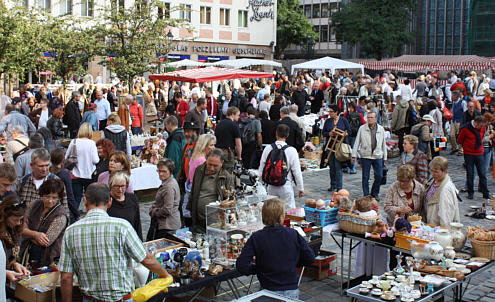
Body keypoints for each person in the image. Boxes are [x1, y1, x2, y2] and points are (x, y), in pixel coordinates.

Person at [58, 183, 170, 302]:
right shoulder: (122, 226)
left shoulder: (71, 231)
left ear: (85, 201)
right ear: (110, 201)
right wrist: (165, 275)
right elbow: (146, 259)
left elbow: (66, 277)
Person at [236, 198, 315, 299]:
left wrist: (258, 268)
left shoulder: (257, 237)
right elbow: (310, 258)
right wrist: (292, 264)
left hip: (268, 289)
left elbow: (241, 266)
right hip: (290, 288)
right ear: (281, 217)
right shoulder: (293, 234)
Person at [20, 179, 68, 268]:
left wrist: (27, 233)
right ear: (42, 195)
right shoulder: (35, 204)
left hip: (48, 257)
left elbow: (46, 241)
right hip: (27, 252)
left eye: (54, 198)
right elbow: (21, 227)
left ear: (59, 198)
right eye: (47, 196)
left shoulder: (60, 215)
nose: (50, 201)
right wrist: (35, 234)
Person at [188, 148, 234, 233]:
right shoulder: (199, 170)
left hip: (214, 221)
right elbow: (193, 190)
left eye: (215, 166)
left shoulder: (227, 177)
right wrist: (190, 207)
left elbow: (231, 200)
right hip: (197, 219)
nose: (211, 168)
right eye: (209, 164)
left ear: (222, 163)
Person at [258, 124, 304, 209]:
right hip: (285, 184)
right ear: (287, 135)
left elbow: (262, 167)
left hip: (271, 185)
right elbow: (297, 171)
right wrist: (300, 188)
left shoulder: (268, 148)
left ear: (276, 133)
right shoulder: (292, 150)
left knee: (272, 211)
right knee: (288, 211)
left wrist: (260, 184)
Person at [352, 111, 387, 199]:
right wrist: (353, 155)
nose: (370, 119)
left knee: (379, 175)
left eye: (372, 117)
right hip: (365, 155)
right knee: (365, 176)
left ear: (376, 119)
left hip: (377, 155)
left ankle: (375, 193)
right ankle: (366, 195)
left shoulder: (380, 129)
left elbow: (383, 143)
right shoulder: (362, 128)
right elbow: (357, 142)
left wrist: (385, 156)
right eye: (368, 117)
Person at [0, 194, 31, 292]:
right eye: (15, 220)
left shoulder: (14, 231)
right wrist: (4, 272)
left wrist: (15, 264)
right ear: (4, 216)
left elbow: (10, 257)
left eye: (21, 220)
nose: (18, 223)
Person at [66, 123, 99, 212]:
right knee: (90, 197)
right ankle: (90, 212)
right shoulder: (92, 143)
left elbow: (67, 157)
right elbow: (96, 160)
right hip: (89, 173)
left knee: (76, 197)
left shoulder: (74, 142)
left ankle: (74, 215)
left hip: (75, 174)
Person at [147, 159, 181, 241]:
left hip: (167, 225)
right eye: (159, 171)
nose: (161, 174)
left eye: (164, 171)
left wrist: (154, 211)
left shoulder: (168, 187)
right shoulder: (169, 182)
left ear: (170, 171)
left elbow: (167, 210)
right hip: (169, 224)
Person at [458, 115, 489, 199]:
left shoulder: (482, 128)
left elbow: (481, 137)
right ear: (475, 123)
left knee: (482, 173)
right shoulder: (465, 128)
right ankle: (470, 193)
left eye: (483, 126)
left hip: (479, 153)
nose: (482, 127)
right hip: (469, 154)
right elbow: (460, 140)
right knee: (470, 173)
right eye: (480, 126)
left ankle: (485, 192)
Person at [423, 156, 460, 227]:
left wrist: (443, 233)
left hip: (438, 229)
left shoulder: (446, 190)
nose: (432, 174)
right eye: (431, 170)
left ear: (445, 171)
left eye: (436, 172)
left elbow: (446, 217)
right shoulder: (433, 181)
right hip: (431, 225)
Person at [323, 105, 351, 192]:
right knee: (331, 166)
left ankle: (339, 187)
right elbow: (324, 132)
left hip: (340, 146)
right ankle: (332, 184)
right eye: (329, 111)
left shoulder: (343, 120)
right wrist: (329, 134)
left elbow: (349, 131)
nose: (329, 113)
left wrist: (343, 134)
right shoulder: (328, 121)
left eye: (331, 111)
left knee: (338, 167)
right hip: (330, 145)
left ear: (336, 112)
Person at [107, 171, 142, 240]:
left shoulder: (132, 199)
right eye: (117, 186)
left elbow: (137, 223)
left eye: (122, 186)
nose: (120, 190)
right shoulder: (107, 201)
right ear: (111, 185)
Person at [49, 149, 78, 221]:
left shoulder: (48, 171)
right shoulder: (65, 174)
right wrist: (76, 214)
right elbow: (70, 195)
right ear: (63, 159)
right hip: (61, 207)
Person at [214, 106, 242, 172]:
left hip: (217, 152)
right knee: (227, 176)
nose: (239, 117)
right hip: (228, 154)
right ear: (232, 114)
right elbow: (238, 144)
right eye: (237, 115)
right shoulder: (234, 125)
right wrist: (239, 157)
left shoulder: (219, 124)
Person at [449, 91, 467, 155]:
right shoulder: (453, 102)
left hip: (460, 121)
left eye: (453, 96)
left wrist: (464, 121)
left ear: (456, 96)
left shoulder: (463, 102)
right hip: (453, 120)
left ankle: (461, 150)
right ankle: (454, 148)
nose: (452, 97)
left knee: (460, 136)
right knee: (451, 135)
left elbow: (465, 112)